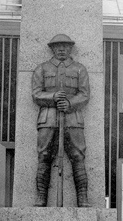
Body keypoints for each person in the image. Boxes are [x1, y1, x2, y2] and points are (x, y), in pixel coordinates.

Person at [32, 34, 90, 207]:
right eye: (58, 47)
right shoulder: (41, 69)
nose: (62, 49)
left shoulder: (80, 69)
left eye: (65, 46)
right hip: (48, 117)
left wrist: (70, 103)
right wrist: (53, 97)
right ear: (52, 49)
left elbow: (85, 94)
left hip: (73, 118)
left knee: (78, 156)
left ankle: (83, 198)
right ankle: (41, 197)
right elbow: (36, 94)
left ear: (70, 48)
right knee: (44, 155)